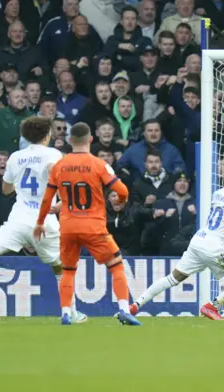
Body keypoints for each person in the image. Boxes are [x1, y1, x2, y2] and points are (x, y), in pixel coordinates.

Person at [0, 117, 87, 323]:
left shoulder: (16, 157)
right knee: (63, 267)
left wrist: (21, 185)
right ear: (47, 134)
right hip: (43, 220)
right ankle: (70, 313)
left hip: (17, 219)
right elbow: (52, 169)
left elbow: (6, 190)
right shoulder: (53, 153)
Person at [33, 122, 141, 326]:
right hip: (93, 226)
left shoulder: (59, 166)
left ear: (70, 140)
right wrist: (122, 201)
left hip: (68, 226)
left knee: (67, 270)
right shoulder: (98, 164)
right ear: (91, 139)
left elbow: (47, 199)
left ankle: (66, 313)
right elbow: (122, 190)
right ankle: (124, 310)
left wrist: (39, 223)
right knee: (117, 266)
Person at [128, 165, 224, 320]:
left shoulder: (219, 193)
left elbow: (222, 219)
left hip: (198, 241)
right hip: (214, 248)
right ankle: (212, 306)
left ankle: (135, 305)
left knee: (172, 278)